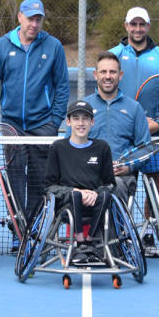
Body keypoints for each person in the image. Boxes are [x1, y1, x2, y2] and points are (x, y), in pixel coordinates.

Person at [0, 0, 69, 240]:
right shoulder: (1, 46)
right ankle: (20, 230)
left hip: (43, 125)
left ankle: (34, 227)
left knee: (39, 180)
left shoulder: (53, 46)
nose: (34, 24)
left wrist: (55, 120)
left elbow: (62, 86)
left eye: (38, 19)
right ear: (19, 17)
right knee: (15, 177)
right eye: (30, 18)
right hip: (12, 126)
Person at [109, 6, 159, 256]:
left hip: (154, 133)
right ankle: (121, 232)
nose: (137, 29)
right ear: (126, 26)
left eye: (142, 25)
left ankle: (148, 234)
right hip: (122, 132)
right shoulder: (114, 55)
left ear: (148, 27)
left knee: (152, 183)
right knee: (122, 180)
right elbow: (107, 87)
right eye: (133, 24)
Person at [45, 100, 115, 264]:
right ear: (68, 122)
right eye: (76, 118)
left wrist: (95, 193)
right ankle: (79, 242)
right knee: (76, 195)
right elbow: (49, 186)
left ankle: (89, 242)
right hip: (68, 205)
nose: (81, 123)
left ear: (92, 122)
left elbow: (110, 183)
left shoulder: (102, 147)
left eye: (85, 118)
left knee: (105, 195)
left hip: (95, 203)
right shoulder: (57, 147)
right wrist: (76, 192)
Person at [81, 51, 150, 205]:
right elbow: (69, 145)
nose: (108, 76)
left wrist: (128, 166)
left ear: (120, 75)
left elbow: (144, 148)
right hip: (88, 176)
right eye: (103, 71)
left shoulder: (134, 108)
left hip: (121, 179)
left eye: (112, 72)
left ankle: (113, 229)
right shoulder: (84, 107)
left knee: (114, 186)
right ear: (95, 75)